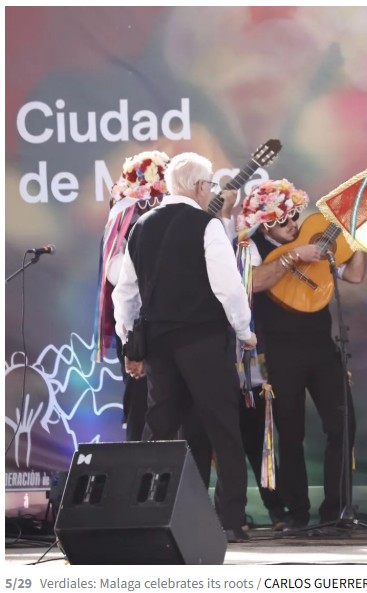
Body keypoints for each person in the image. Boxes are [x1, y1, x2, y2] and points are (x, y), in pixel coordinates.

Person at [112, 152, 256, 543]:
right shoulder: (207, 225)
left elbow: (125, 292)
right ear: (198, 187)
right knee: (222, 428)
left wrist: (129, 339)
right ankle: (230, 519)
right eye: (209, 184)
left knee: (159, 426)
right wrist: (244, 330)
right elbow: (228, 287)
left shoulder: (141, 226)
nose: (210, 190)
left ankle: (146, 511)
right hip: (204, 339)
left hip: (159, 344)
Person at [236, 180, 367, 528]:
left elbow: (356, 275)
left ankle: (337, 510)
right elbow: (254, 282)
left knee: (343, 424)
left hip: (322, 346)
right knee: (290, 433)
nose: (292, 225)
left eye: (294, 216)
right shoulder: (252, 246)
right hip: (279, 351)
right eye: (283, 221)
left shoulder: (314, 236)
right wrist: (294, 256)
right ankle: (296, 512)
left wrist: (359, 241)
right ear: (266, 224)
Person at [96, 150, 170, 441]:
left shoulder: (176, 219)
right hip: (137, 330)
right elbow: (116, 275)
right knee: (140, 403)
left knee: (174, 404)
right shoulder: (121, 225)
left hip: (173, 325)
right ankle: (137, 464)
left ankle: (178, 467)